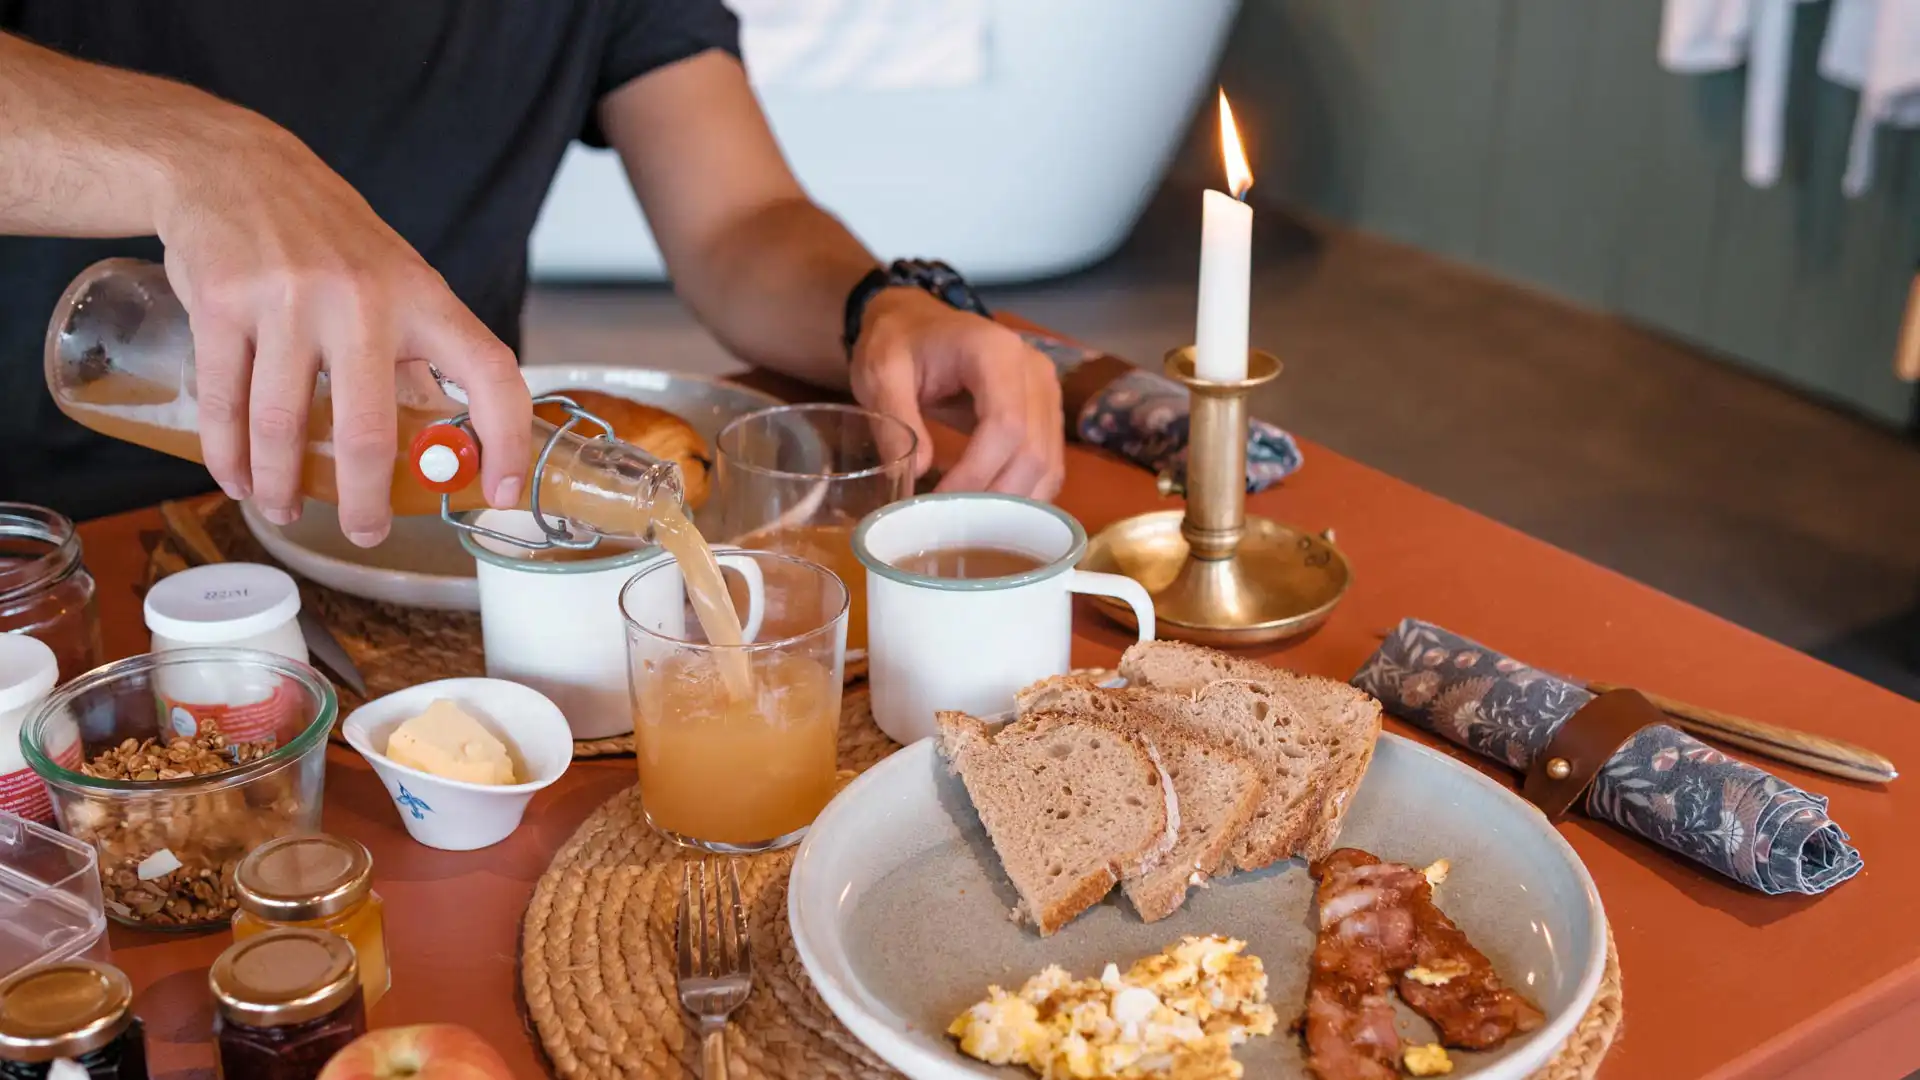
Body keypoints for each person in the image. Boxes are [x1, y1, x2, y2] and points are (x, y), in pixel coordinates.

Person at [0, 2, 1065, 542]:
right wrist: (206, 157)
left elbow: (738, 217)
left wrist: (880, 305)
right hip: (59, 547)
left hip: (431, 522)